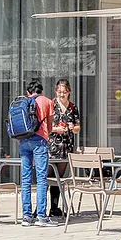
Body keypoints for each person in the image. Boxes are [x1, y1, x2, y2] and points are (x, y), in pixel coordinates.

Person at [18, 78, 56, 227]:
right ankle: (41, 216)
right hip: (39, 141)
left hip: (23, 141)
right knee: (41, 178)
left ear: (28, 91)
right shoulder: (47, 101)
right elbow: (50, 126)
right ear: (41, 91)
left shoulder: (23, 101)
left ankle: (26, 217)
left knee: (26, 179)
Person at [47, 78, 81, 219]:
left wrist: (73, 128)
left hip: (66, 147)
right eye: (59, 92)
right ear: (56, 91)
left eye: (64, 92)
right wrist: (56, 129)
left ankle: (55, 208)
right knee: (46, 177)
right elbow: (46, 128)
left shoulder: (73, 108)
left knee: (59, 179)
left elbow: (78, 127)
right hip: (52, 146)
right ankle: (40, 209)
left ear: (69, 92)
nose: (62, 94)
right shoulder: (51, 105)